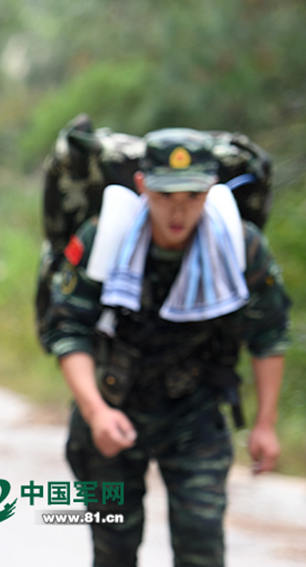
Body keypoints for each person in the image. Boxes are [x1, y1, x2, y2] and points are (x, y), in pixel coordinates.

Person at [40, 128, 289, 567]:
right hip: (112, 408)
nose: (179, 209)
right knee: (113, 549)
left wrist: (265, 425)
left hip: (195, 414)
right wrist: (97, 412)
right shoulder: (106, 237)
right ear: (142, 186)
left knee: (201, 546)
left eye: (193, 195)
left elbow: (268, 334)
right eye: (165, 194)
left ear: (211, 189)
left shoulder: (239, 245)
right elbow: (69, 330)